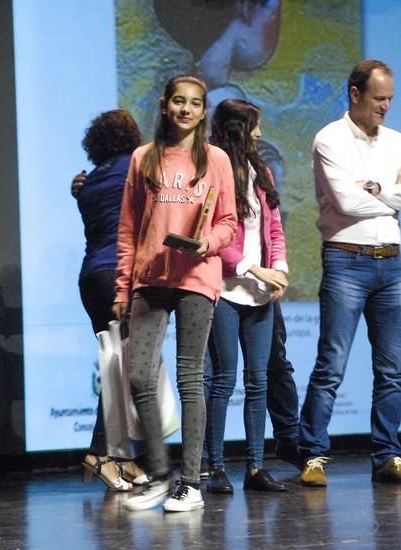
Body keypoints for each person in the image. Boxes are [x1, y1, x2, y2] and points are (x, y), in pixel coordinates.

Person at [297, 59, 401, 487]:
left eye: (390, 99)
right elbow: (347, 204)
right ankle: (314, 455)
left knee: (392, 369)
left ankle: (387, 455)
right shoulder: (330, 140)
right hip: (346, 259)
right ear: (355, 95)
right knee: (331, 365)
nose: (386, 107)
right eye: (378, 99)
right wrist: (394, 198)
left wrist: (379, 190)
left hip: (392, 261)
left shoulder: (398, 142)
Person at [114, 75, 237, 512]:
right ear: (165, 106)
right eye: (178, 102)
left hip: (197, 278)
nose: (186, 109)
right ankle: (160, 474)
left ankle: (190, 483)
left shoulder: (216, 160)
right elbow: (128, 230)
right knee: (140, 377)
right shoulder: (143, 158)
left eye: (195, 104)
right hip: (150, 278)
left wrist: (211, 244)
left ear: (204, 112)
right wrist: (123, 287)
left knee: (190, 379)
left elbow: (229, 222)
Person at [204, 99, 289, 494]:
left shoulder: (261, 170)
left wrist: (280, 270)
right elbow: (214, 238)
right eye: (254, 126)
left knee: (258, 382)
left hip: (260, 295)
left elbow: (274, 228)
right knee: (223, 380)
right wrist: (253, 269)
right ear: (238, 128)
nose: (259, 133)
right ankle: (215, 468)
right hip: (224, 289)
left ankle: (256, 467)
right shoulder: (214, 169)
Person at [72, 109, 148, 492]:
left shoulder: (88, 183)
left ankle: (127, 457)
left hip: (91, 278)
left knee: (123, 367)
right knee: (124, 370)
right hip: (120, 277)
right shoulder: (134, 168)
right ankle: (99, 453)